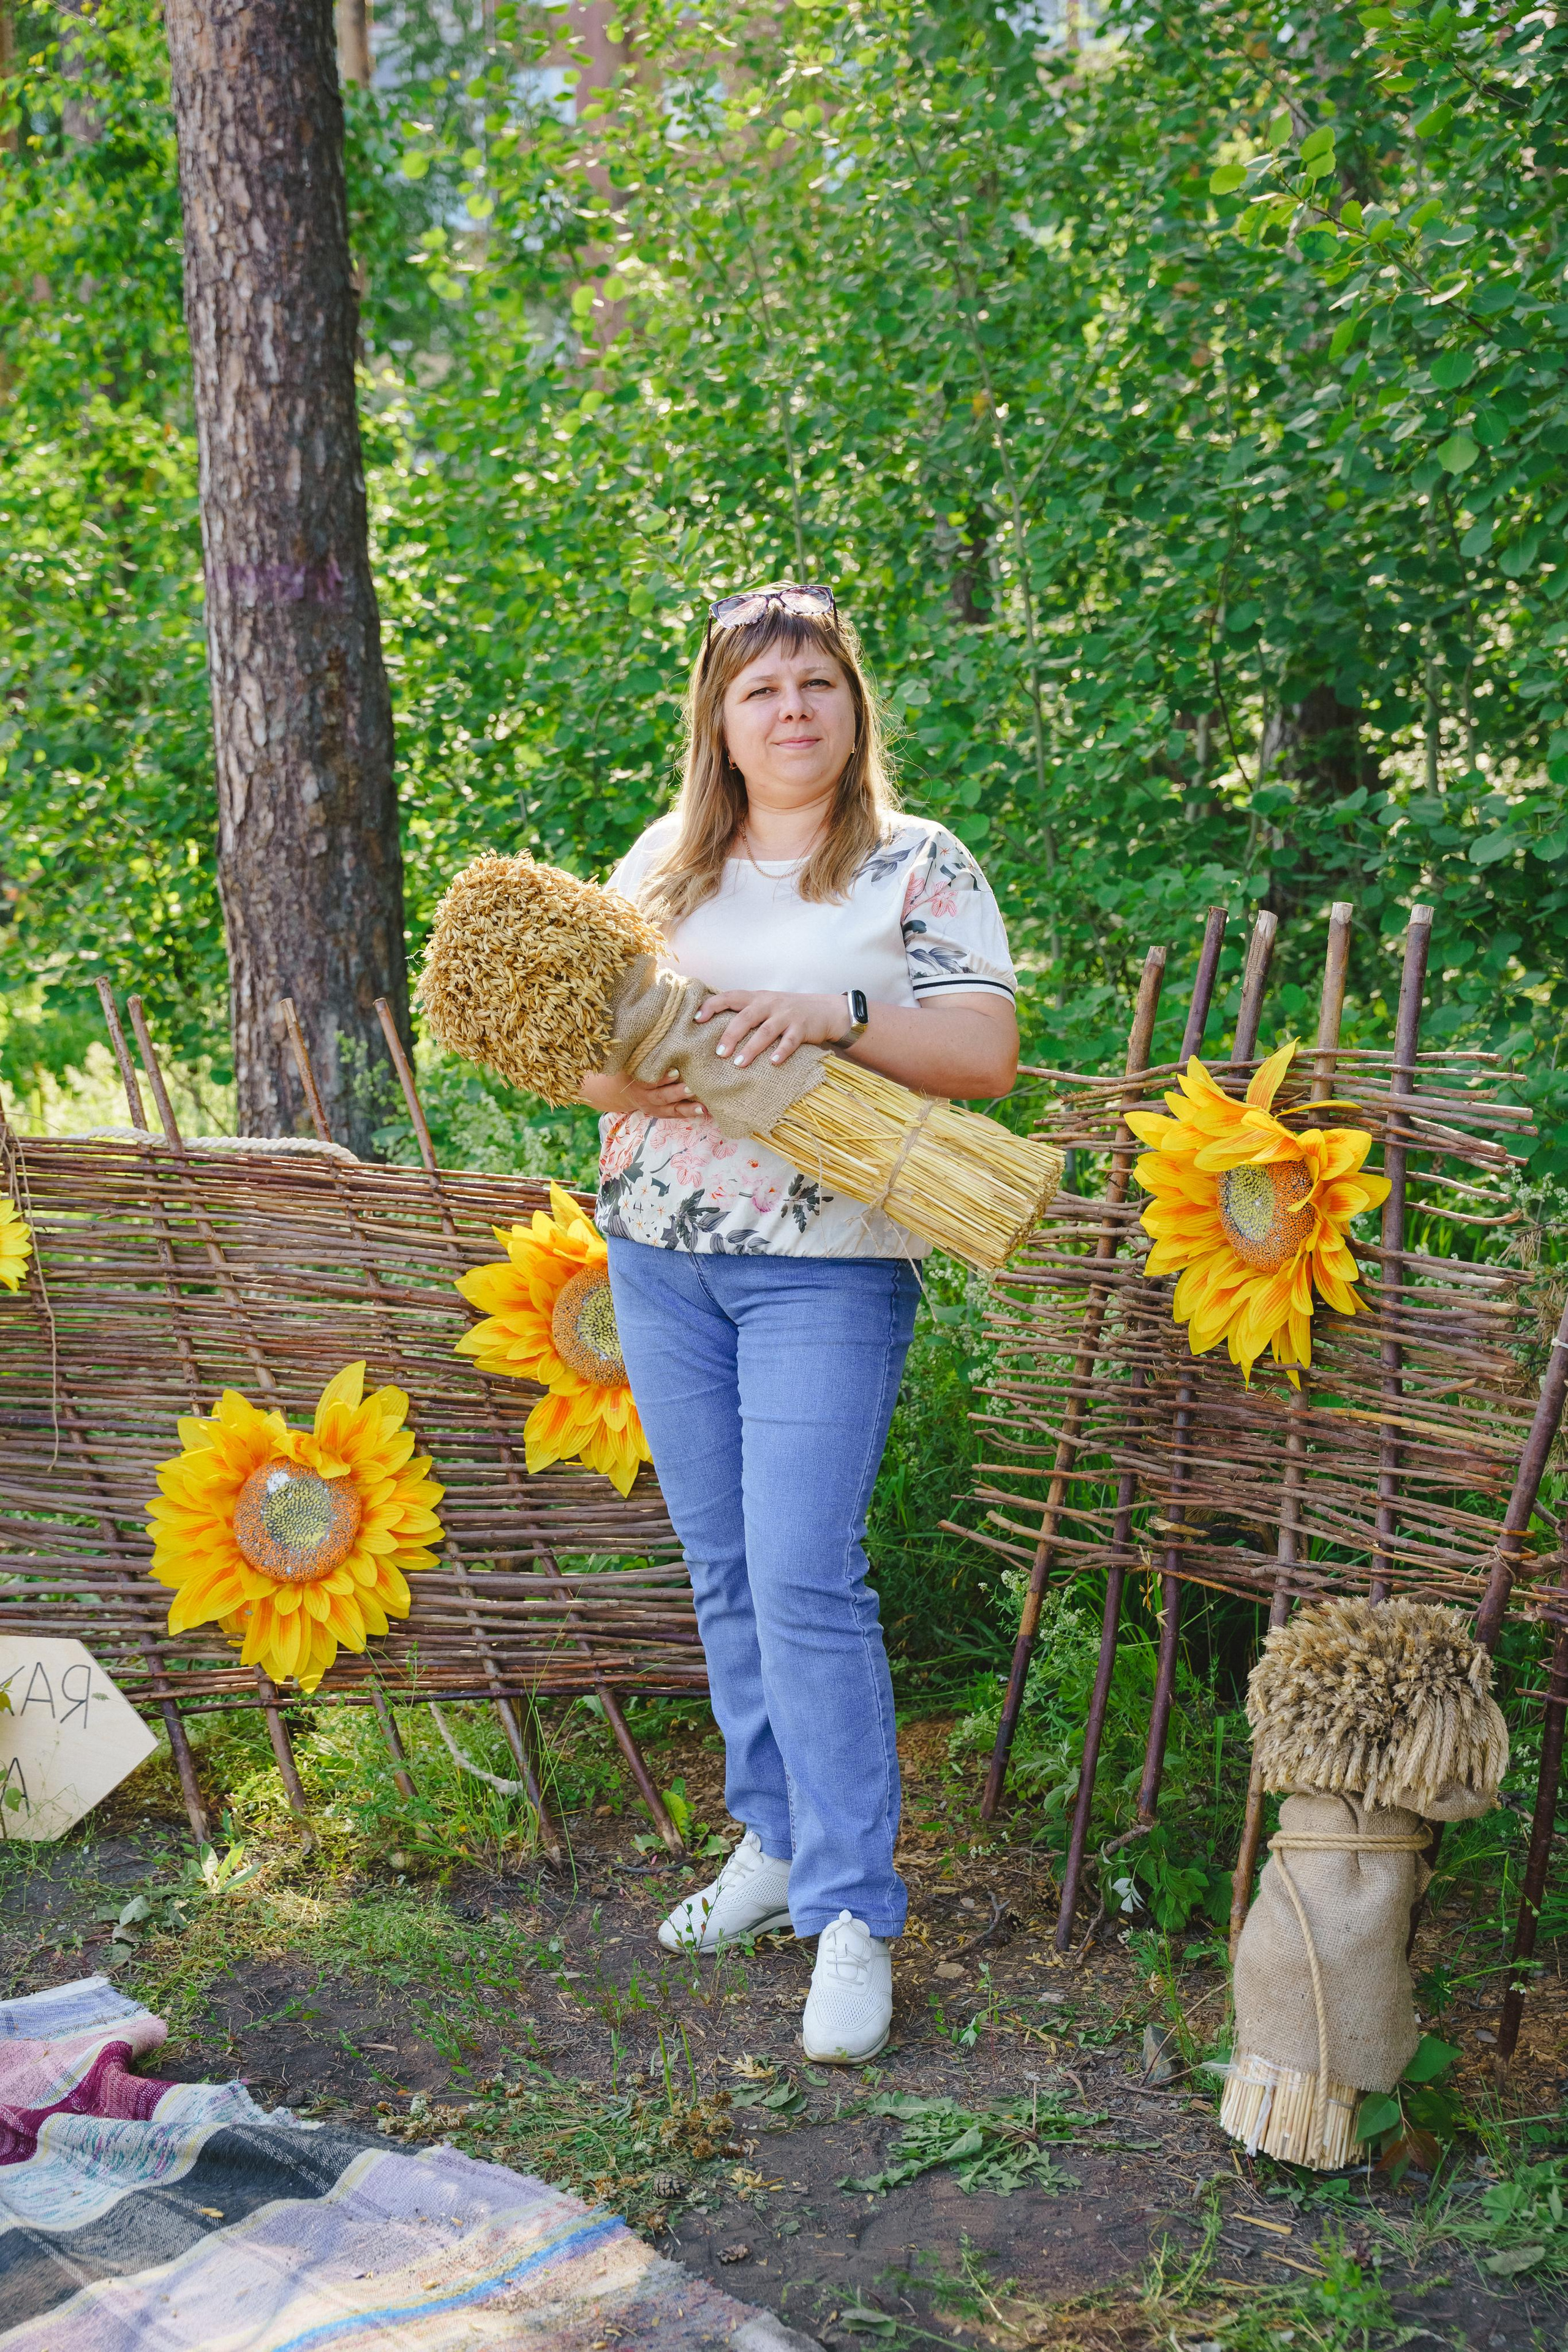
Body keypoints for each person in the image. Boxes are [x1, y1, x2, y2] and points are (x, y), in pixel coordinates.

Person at [579, 581, 1020, 2062]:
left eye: (813, 685)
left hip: (825, 1261)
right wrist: (615, 1084)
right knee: (721, 1567)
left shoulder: (913, 864)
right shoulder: (662, 862)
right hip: (656, 1252)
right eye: (758, 689)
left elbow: (983, 1053)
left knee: (803, 1573)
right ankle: (768, 1846)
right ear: (716, 717)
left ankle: (853, 1913)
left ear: (851, 707)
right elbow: (576, 1045)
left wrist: (836, 1014)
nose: (787, 710)